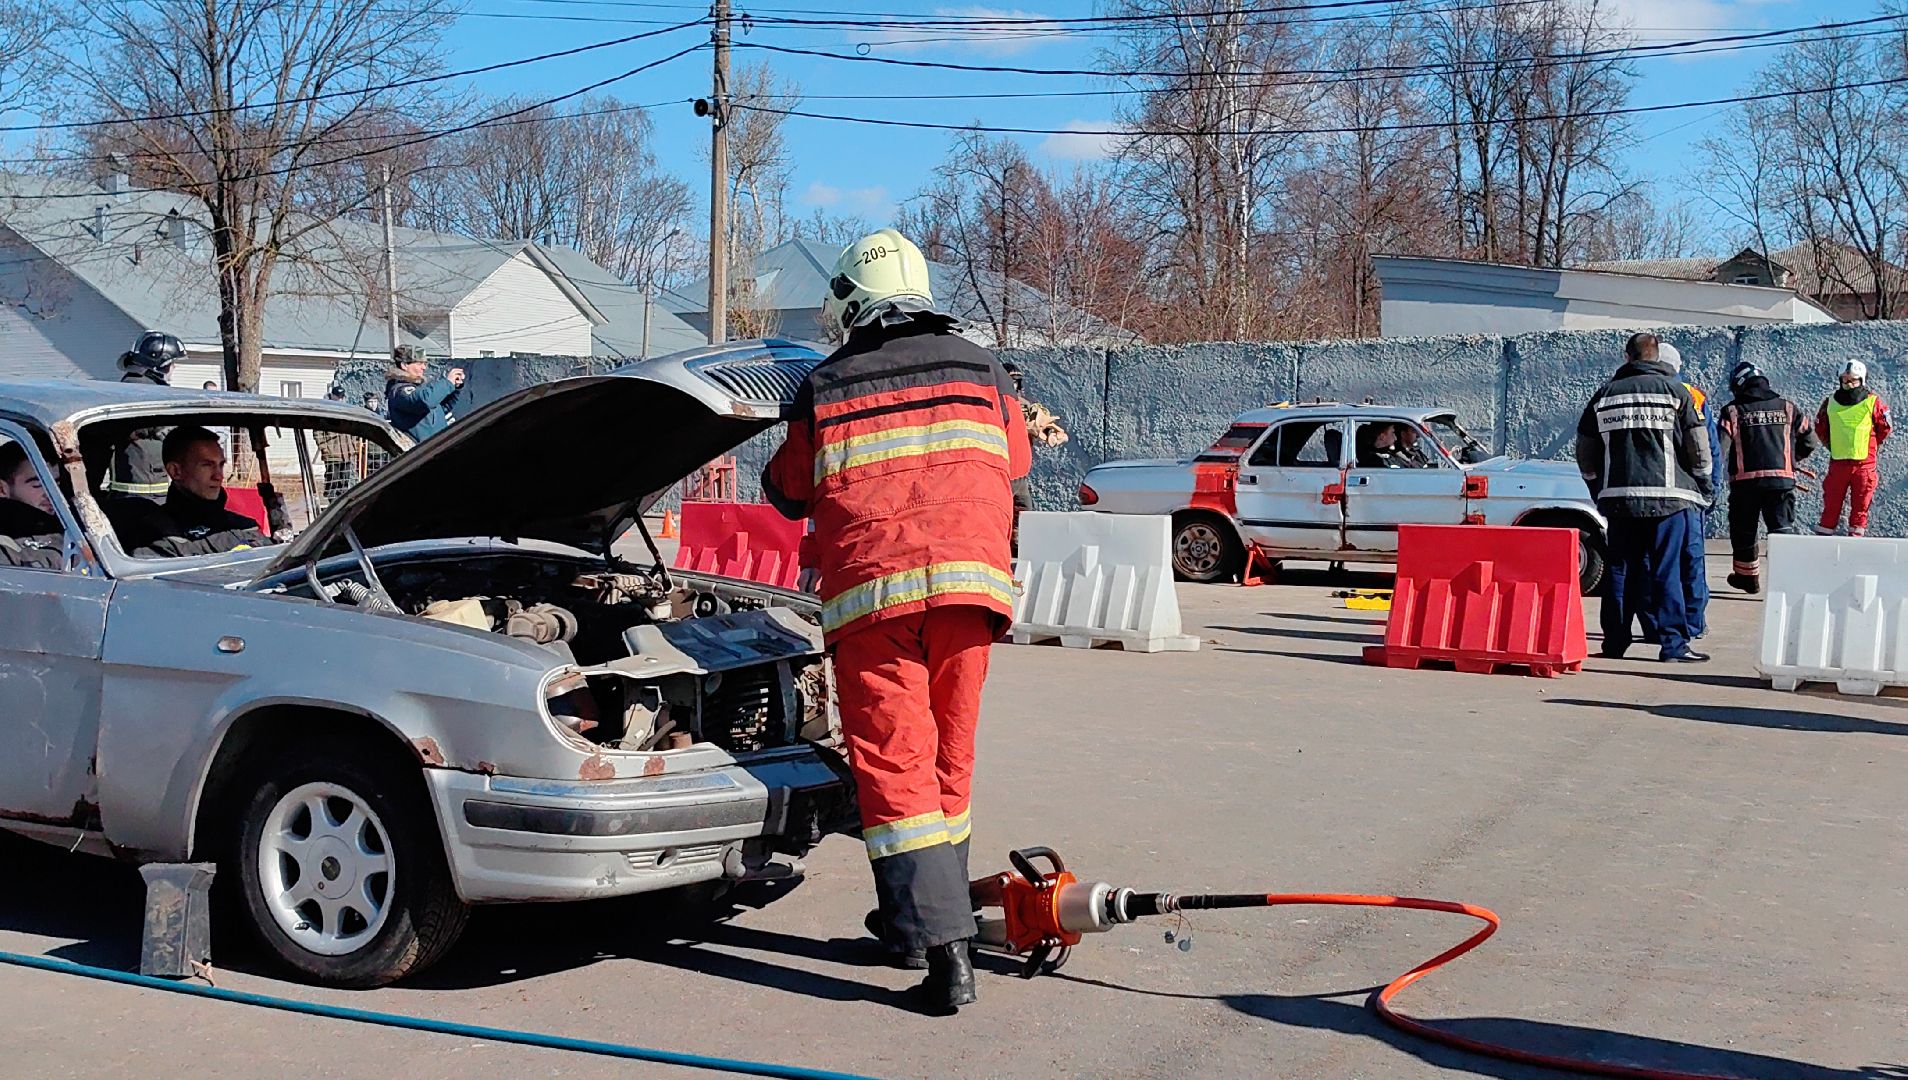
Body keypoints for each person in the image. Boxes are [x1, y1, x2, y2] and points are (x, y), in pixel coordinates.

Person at [762, 228, 1029, 1015]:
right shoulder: (983, 367)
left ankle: (942, 955)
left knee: (896, 771)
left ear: (850, 299)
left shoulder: (830, 381)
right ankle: (914, 923)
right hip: (971, 592)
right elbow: (1014, 462)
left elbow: (788, 487)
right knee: (948, 763)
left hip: (877, 598)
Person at [1576, 332, 1714, 664]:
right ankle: (1673, 646)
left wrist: (1598, 487)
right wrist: (1703, 483)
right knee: (1667, 571)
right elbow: (1698, 445)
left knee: (1620, 570)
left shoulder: (1604, 395)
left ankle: (1615, 643)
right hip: (1670, 498)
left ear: (1628, 357)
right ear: (1656, 358)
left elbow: (1585, 450)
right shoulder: (1676, 392)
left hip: (1619, 500)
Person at [1718, 360, 1817, 593]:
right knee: (1782, 532)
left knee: (1744, 531)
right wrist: (1793, 460)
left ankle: (1747, 578)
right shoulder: (1788, 407)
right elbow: (1810, 440)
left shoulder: (1732, 411)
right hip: (1781, 481)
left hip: (1745, 484)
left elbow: (1719, 448)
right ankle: (1787, 581)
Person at [125, 426, 281, 558]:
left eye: (221, 465)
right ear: (175, 471)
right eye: (207, 465)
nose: (218, 476)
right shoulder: (152, 533)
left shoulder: (243, 525)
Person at [1813, 360, 1893, 536]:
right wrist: (1833, 446)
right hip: (1838, 464)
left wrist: (1871, 445)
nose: (1848, 385)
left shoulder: (1873, 402)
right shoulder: (1830, 402)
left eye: (1853, 380)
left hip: (1864, 465)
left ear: (1862, 380)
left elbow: (1884, 428)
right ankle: (1823, 544)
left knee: (1861, 507)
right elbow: (1820, 428)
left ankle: (1855, 542)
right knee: (1831, 506)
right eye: (1845, 380)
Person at [106, 331, 185, 498]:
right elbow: (166, 431)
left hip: (141, 487)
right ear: (160, 364)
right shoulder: (144, 393)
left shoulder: (136, 387)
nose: (174, 368)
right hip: (145, 494)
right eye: (172, 363)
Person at [0, 441, 64, 569]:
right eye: (38, 485)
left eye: (57, 484)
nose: (52, 493)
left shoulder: (71, 526)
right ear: (2, 489)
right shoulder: (6, 544)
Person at [384, 346, 464, 439]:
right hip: (422, 451)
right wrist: (447, 383)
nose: (424, 367)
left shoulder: (419, 388)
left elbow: (439, 409)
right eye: (419, 363)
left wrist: (455, 388)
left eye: (425, 363)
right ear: (404, 365)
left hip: (436, 447)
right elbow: (425, 402)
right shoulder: (399, 391)